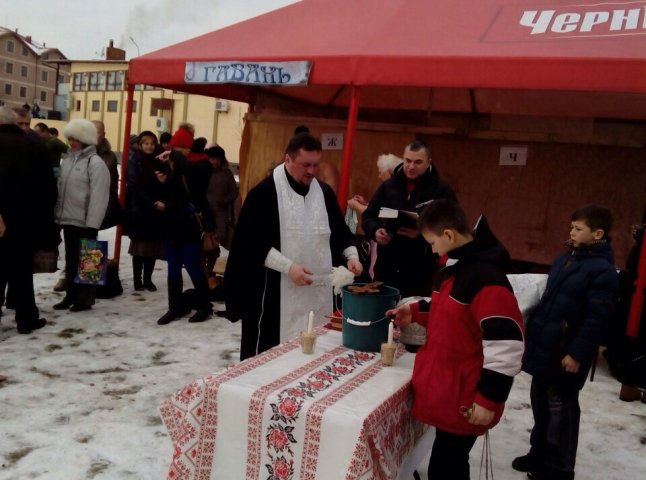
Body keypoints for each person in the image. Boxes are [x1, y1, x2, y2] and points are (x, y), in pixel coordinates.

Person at [388, 199, 524, 480]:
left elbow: (506, 345)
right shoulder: (455, 268)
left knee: (447, 467)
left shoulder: (485, 278)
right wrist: (413, 311)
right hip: (450, 389)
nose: (432, 248)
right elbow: (446, 309)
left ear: (448, 235)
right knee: (446, 461)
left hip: (467, 395)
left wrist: (488, 399)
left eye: (432, 242)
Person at [224, 132, 363, 360]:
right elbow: (250, 244)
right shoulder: (264, 193)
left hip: (316, 295)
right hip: (274, 295)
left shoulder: (324, 193)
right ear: (287, 159)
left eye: (315, 165)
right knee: (269, 359)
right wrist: (288, 267)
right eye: (305, 165)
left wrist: (351, 256)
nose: (311, 171)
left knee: (314, 352)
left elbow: (339, 233)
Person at [512, 204, 619, 480]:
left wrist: (577, 354)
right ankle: (539, 454)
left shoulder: (602, 271)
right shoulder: (565, 259)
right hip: (545, 349)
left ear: (598, 233)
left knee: (562, 412)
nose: (571, 232)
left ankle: (559, 468)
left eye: (578, 228)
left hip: (566, 354)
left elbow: (597, 319)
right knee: (541, 404)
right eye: (571, 226)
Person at [361, 139, 456, 297]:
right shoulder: (388, 186)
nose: (411, 167)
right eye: (408, 161)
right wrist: (376, 231)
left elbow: (452, 226)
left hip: (420, 269)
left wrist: (422, 233)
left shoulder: (441, 190)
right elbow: (369, 215)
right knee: (383, 315)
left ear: (428, 163)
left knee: (411, 319)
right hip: (387, 267)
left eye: (418, 162)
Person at [0, 106, 57, 333]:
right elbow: (48, 189)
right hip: (24, 221)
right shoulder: (34, 145)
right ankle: (26, 319)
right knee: (22, 271)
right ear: (15, 123)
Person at [154, 123, 214, 325]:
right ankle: (174, 306)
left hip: (189, 226)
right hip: (171, 224)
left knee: (193, 266)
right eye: (173, 147)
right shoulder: (171, 166)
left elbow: (192, 193)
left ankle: (206, 306)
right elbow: (170, 193)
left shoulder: (200, 166)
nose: (174, 152)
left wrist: (174, 164)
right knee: (172, 267)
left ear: (188, 148)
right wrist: (163, 181)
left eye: (179, 148)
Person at [53, 119, 110, 312]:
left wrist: (93, 223)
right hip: (69, 219)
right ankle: (71, 295)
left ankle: (85, 299)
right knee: (71, 260)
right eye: (70, 138)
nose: (72, 142)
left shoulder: (95, 163)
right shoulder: (68, 161)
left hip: (86, 221)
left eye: (76, 138)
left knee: (89, 261)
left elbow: (99, 196)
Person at [125, 131, 165, 292]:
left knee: (152, 248)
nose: (149, 147)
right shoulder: (135, 161)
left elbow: (165, 184)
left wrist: (162, 183)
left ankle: (148, 279)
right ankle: (137, 280)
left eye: (152, 144)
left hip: (156, 211)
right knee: (140, 249)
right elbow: (133, 185)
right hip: (140, 210)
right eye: (146, 143)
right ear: (140, 145)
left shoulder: (158, 161)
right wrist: (151, 202)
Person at [205, 145, 238, 251]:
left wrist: (225, 200)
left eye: (217, 159)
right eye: (212, 159)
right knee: (205, 238)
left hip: (220, 210)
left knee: (220, 236)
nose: (214, 162)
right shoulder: (203, 171)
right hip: (205, 210)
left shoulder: (226, 174)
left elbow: (234, 192)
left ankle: (213, 257)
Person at [92, 120, 121, 230]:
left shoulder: (108, 156)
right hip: (76, 211)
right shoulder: (79, 152)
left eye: (96, 132)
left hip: (98, 210)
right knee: (73, 245)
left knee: (91, 243)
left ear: (103, 135)